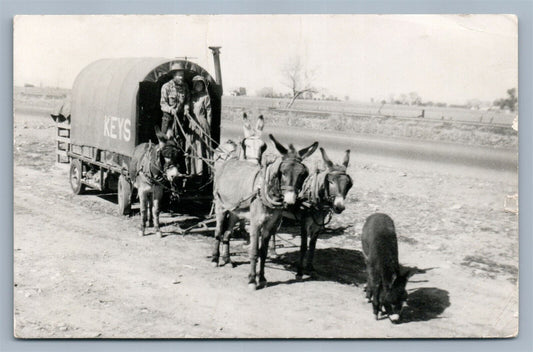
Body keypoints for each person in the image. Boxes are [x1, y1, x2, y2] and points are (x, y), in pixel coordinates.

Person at [188, 75, 213, 177]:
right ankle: (193, 172)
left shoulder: (206, 97)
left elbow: (209, 113)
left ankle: (203, 173)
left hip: (202, 124)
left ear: (203, 85)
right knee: (193, 146)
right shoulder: (191, 97)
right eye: (196, 84)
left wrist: (207, 128)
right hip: (192, 124)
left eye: (200, 84)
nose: (198, 85)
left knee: (202, 147)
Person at [159, 71, 189, 138]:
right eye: (179, 75)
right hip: (168, 118)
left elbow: (187, 100)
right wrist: (170, 109)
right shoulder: (166, 86)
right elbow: (163, 104)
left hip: (180, 118)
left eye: (182, 75)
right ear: (174, 76)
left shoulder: (185, 86)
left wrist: (186, 108)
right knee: (165, 141)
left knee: (180, 140)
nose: (181, 77)